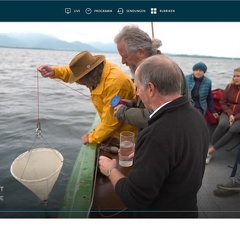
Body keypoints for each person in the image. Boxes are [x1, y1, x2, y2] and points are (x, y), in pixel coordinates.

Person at [99, 55, 209, 218]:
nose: (136, 92)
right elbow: (179, 153)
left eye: (137, 87)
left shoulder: (157, 134)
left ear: (150, 89)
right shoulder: (196, 116)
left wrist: (110, 170)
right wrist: (146, 151)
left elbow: (134, 197)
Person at [37, 51, 137, 145]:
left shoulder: (115, 83)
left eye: (80, 81)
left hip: (127, 137)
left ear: (89, 75)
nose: (78, 82)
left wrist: (91, 137)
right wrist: (55, 71)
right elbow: (72, 72)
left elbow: (111, 121)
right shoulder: (97, 71)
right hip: (113, 132)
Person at [113, 25, 189, 131]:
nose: (123, 62)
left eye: (125, 56)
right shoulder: (148, 69)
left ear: (140, 52)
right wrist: (133, 103)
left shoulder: (161, 71)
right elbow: (151, 101)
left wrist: (123, 112)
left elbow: (157, 114)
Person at [206, 67, 240, 164]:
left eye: (238, 76)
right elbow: (222, 102)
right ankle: (210, 151)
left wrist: (235, 117)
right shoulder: (229, 87)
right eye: (234, 76)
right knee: (222, 125)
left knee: (233, 129)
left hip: (239, 116)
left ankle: (209, 151)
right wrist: (230, 114)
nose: (236, 78)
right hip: (227, 112)